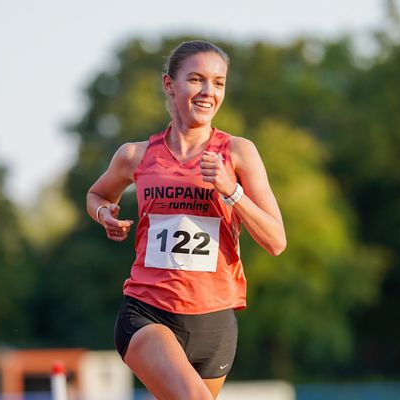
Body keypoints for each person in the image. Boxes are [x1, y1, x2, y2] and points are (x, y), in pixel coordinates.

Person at [86, 40, 286, 400]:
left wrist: (231, 190)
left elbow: (275, 241)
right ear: (169, 84)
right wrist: (104, 214)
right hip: (149, 312)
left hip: (215, 324)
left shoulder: (238, 153)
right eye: (196, 79)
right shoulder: (135, 155)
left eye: (219, 82)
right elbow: (97, 194)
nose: (209, 91)